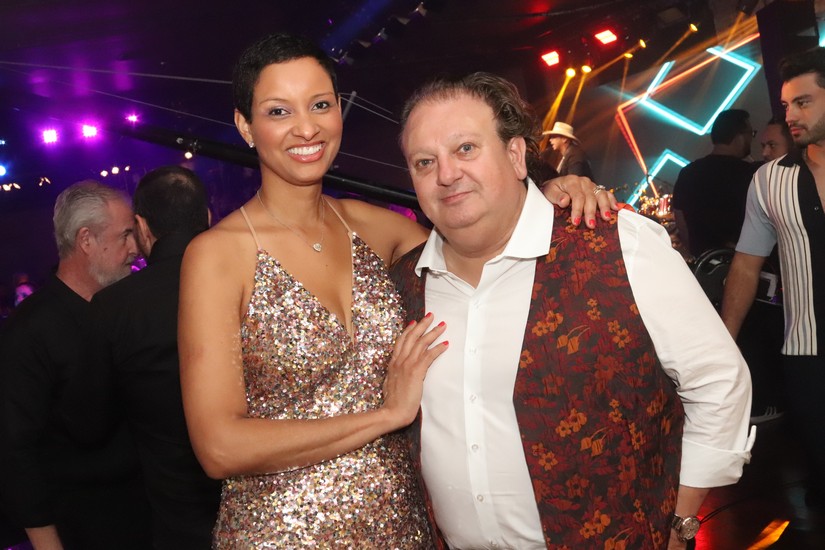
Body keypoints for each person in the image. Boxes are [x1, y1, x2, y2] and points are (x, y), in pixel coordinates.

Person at [178, 32, 616, 547]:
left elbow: (485, 240)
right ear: (245, 126)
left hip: (403, 527)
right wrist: (387, 415)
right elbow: (220, 447)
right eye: (279, 111)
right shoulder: (218, 255)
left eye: (320, 105)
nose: (306, 127)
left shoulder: (377, 229)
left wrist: (545, 195)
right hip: (281, 534)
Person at [391, 72, 755, 549]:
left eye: (465, 149)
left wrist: (679, 522)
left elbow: (719, 381)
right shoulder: (404, 285)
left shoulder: (616, 243)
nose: (446, 174)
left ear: (516, 155)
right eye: (424, 161)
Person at [61, 166, 221, 548]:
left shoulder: (114, 306)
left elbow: (88, 425)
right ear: (208, 217)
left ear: (143, 228)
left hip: (176, 519)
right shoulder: (251, 280)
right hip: (264, 504)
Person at [0, 180, 150, 549]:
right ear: (86, 240)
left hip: (145, 520)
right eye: (125, 235)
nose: (135, 248)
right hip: (80, 529)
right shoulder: (30, 330)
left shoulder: (125, 310)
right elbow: (16, 451)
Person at [722, 46, 825, 509]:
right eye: (786, 105)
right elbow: (746, 264)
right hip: (806, 353)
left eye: (803, 102)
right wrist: (725, 340)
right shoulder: (768, 181)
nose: (791, 115)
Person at [672, 109, 758, 257]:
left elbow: (680, 220)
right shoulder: (750, 174)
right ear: (739, 137)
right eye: (751, 133)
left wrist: (699, 253)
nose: (751, 139)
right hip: (745, 262)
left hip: (705, 263)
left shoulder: (688, 173)